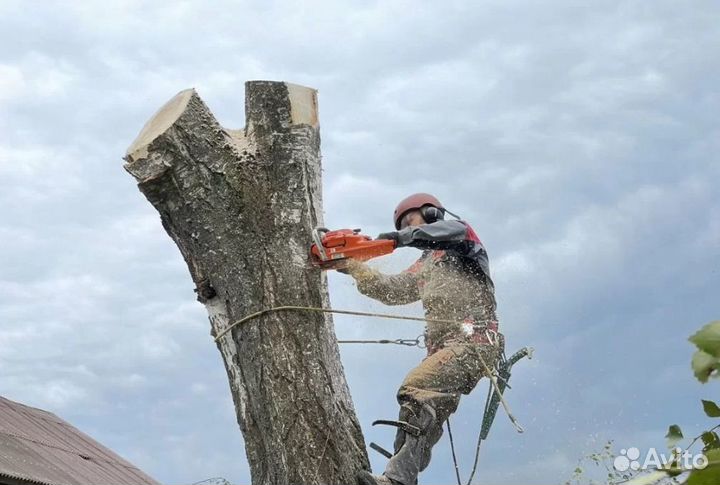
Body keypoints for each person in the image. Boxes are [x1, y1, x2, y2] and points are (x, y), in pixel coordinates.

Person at [341, 193, 502, 485]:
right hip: (446, 349)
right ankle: (399, 475)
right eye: (401, 225)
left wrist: (397, 239)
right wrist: (353, 266)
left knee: (416, 387)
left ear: (431, 213)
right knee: (421, 409)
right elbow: (392, 289)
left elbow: (438, 233)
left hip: (474, 341)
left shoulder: (461, 237)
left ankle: (398, 479)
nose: (405, 229)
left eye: (409, 221)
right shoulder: (425, 263)